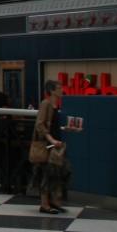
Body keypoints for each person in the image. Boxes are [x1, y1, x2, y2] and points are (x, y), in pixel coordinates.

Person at [29, 79, 73, 214]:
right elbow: (40, 125)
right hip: (47, 145)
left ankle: (53, 200)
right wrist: (51, 139)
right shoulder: (46, 104)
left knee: (60, 172)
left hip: (55, 144)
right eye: (59, 88)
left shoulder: (55, 106)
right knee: (47, 173)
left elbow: (51, 124)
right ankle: (45, 204)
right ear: (52, 91)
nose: (62, 90)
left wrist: (64, 128)